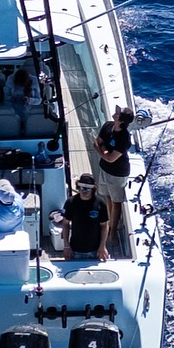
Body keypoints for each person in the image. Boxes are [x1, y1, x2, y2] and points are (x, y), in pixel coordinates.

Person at [94, 107, 134, 252]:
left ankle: (112, 233)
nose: (114, 113)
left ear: (121, 120)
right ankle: (108, 224)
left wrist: (103, 149)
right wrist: (103, 151)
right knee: (107, 197)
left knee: (116, 202)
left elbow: (111, 158)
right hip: (104, 169)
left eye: (118, 113)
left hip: (117, 174)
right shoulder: (108, 126)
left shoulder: (124, 138)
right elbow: (96, 142)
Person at [61, 173, 108, 263]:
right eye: (82, 187)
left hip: (95, 250)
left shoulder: (101, 203)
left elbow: (104, 226)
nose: (84, 191)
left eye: (88, 188)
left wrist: (102, 246)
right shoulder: (70, 202)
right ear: (78, 187)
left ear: (93, 189)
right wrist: (66, 246)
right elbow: (65, 223)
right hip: (75, 250)